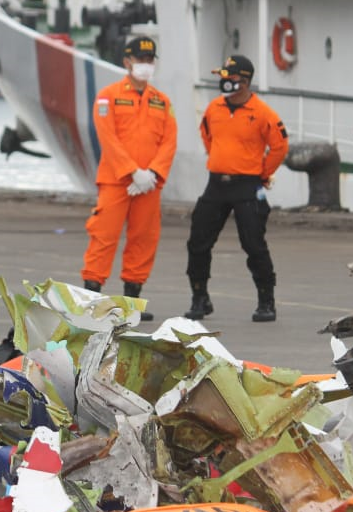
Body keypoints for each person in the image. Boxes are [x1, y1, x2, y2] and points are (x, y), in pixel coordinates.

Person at [184, 55, 289, 323]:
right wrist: (220, 159)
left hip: (247, 185)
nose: (224, 82)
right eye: (222, 77)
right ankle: (199, 297)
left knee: (253, 244)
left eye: (229, 78)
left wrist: (262, 173)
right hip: (216, 184)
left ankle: (266, 300)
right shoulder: (214, 108)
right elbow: (207, 136)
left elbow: (279, 146)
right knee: (198, 241)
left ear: (244, 81)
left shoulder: (263, 113)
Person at [80, 36, 177, 320]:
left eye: (149, 60)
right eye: (140, 60)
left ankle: (131, 303)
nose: (145, 65)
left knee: (143, 240)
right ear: (127, 62)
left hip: (149, 184)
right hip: (116, 180)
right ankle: (92, 297)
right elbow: (107, 138)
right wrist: (132, 171)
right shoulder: (108, 96)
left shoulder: (162, 101)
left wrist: (153, 173)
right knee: (103, 237)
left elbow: (170, 141)